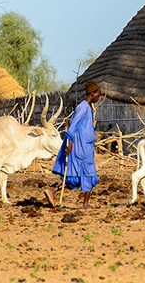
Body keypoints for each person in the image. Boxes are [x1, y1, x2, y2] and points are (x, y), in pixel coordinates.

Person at [45, 80, 102, 209]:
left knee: (76, 178)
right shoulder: (83, 107)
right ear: (92, 94)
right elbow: (73, 126)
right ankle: (85, 204)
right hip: (81, 148)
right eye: (98, 95)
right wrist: (69, 143)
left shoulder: (87, 107)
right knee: (90, 175)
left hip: (85, 146)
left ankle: (52, 191)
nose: (98, 98)